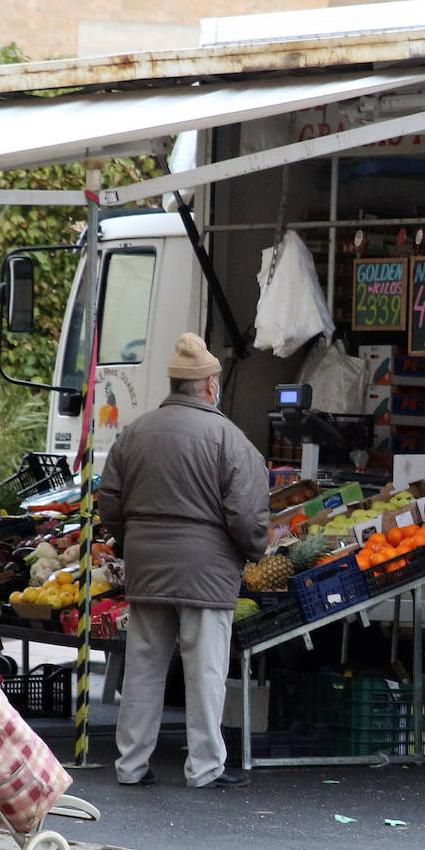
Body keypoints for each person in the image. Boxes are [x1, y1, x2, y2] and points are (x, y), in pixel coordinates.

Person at [101, 332, 269, 789]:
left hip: (146, 569)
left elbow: (110, 503)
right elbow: (247, 515)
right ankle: (204, 768)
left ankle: (131, 766)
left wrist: (133, 540)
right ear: (211, 386)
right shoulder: (229, 439)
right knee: (205, 672)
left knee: (142, 669)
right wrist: (254, 551)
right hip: (206, 573)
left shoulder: (134, 434)